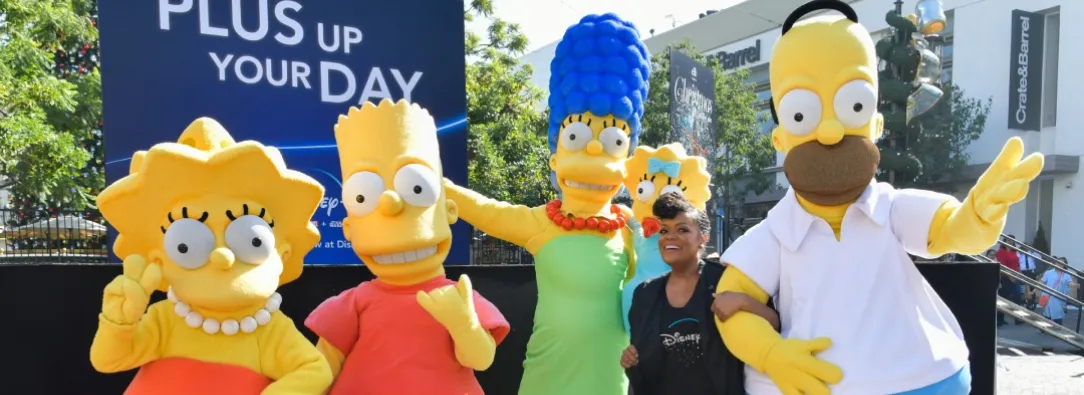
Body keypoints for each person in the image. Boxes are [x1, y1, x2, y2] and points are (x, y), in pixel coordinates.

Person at [305, 100, 510, 395]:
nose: (391, 204)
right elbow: (322, 366)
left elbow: (481, 359)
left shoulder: (457, 297)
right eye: (363, 197)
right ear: (349, 229)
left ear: (449, 211)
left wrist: (464, 325)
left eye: (417, 189)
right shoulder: (357, 302)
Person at [622, 193, 779, 395]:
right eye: (664, 230)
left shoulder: (726, 281)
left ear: (703, 238)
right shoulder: (645, 295)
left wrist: (743, 301)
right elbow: (642, 364)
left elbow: (774, 324)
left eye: (682, 229)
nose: (670, 236)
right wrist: (632, 361)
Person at [1036, 257, 1079, 326]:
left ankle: (1058, 328)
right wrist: (1034, 290)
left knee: (1058, 314)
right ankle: (1043, 328)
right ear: (1055, 263)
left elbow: (1069, 283)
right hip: (1048, 296)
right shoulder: (1048, 273)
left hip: (1058, 297)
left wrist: (1076, 285)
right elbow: (1042, 281)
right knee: (1047, 313)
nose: (1059, 265)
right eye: (1058, 263)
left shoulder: (1066, 275)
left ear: (1064, 265)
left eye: (1061, 264)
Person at [996, 242, 1021, 326]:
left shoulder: (1014, 252)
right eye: (1007, 241)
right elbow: (1002, 265)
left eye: (1011, 241)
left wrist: (1017, 275)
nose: (1009, 243)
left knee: (1017, 296)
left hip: (1015, 276)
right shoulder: (1001, 251)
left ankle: (1018, 318)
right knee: (1004, 298)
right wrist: (1010, 277)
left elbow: (1017, 264)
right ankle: (1000, 319)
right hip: (1005, 277)